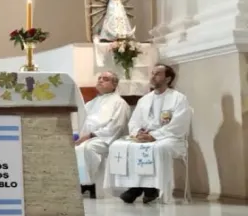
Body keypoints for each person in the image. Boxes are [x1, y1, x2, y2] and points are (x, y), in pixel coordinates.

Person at [107, 64, 193, 204]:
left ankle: (146, 189)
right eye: (152, 73)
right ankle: (143, 188)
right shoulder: (144, 100)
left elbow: (179, 125)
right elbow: (134, 122)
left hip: (170, 138)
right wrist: (138, 132)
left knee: (157, 148)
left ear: (168, 79)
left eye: (157, 74)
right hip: (146, 138)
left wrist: (154, 136)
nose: (152, 76)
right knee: (121, 145)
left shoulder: (179, 99)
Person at [74, 71, 131, 198]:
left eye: (105, 79)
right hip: (89, 137)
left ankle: (87, 184)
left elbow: (116, 127)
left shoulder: (119, 103)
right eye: (99, 78)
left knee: (87, 148)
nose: (100, 80)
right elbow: (82, 121)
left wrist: (90, 136)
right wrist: (78, 136)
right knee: (75, 147)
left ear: (114, 84)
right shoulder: (92, 103)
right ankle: (81, 182)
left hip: (107, 138)